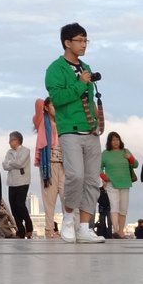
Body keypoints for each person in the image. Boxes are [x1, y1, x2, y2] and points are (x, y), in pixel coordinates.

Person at [45, 23, 105, 244]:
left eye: (85, 40)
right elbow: (58, 99)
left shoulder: (86, 66)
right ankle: (68, 219)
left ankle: (85, 227)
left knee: (91, 180)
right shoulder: (55, 69)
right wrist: (80, 84)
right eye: (79, 40)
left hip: (90, 130)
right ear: (67, 42)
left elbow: (87, 100)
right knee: (75, 176)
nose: (83, 44)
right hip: (69, 130)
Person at [33, 98, 64, 238]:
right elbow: (38, 102)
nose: (56, 107)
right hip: (49, 163)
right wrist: (53, 95)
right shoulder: (41, 122)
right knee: (49, 200)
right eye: (53, 105)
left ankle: (68, 228)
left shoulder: (64, 122)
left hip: (64, 164)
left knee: (67, 198)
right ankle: (49, 229)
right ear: (46, 108)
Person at [100, 131, 138, 239]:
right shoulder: (105, 153)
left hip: (125, 183)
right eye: (113, 140)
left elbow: (135, 164)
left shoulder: (125, 151)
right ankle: (116, 230)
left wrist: (129, 157)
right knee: (114, 207)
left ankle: (121, 231)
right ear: (109, 142)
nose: (115, 142)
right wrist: (103, 177)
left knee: (123, 208)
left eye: (117, 139)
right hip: (112, 183)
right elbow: (98, 167)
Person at [2, 132, 33, 239]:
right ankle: (21, 231)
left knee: (20, 204)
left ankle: (29, 226)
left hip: (23, 181)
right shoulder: (8, 152)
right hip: (11, 182)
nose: (9, 142)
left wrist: (10, 163)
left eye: (11, 140)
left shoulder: (26, 151)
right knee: (14, 208)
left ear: (17, 140)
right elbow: (4, 166)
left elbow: (20, 163)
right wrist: (12, 163)